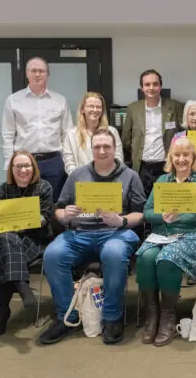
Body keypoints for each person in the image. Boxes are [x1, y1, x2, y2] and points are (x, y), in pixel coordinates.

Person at [38, 129, 146, 346]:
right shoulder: (77, 175)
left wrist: (122, 221)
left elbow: (141, 213)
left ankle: (112, 317)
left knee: (113, 253)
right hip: (80, 233)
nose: (102, 151)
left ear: (115, 148)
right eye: (97, 147)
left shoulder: (130, 176)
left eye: (107, 146)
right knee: (52, 254)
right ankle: (67, 317)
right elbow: (58, 210)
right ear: (91, 149)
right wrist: (64, 215)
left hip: (116, 233)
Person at [136, 137, 196, 347]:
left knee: (166, 259)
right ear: (171, 157)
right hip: (163, 234)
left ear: (193, 158)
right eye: (177, 155)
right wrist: (161, 216)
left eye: (186, 155)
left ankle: (167, 318)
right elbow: (147, 212)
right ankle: (152, 316)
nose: (181, 159)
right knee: (145, 258)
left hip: (194, 235)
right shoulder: (163, 181)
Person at [0, 151, 53, 337]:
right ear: (12, 169)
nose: (23, 170)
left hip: (34, 239)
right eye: (18, 166)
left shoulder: (44, 187)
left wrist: (17, 225)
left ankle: (3, 310)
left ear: (33, 168)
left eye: (27, 165)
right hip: (7, 238)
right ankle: (20, 284)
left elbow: (45, 218)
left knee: (5, 244)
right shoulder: (2, 190)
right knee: (5, 240)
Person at [1, 57, 73, 201]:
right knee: (25, 205)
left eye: (41, 71)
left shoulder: (60, 100)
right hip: (24, 163)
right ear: (27, 73)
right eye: (34, 70)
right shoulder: (13, 100)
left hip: (54, 162)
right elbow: (7, 135)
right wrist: (10, 165)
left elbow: (67, 135)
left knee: (54, 203)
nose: (38, 74)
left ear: (47, 74)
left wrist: (67, 163)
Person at [122, 69, 184, 196]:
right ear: (142, 88)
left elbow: (183, 135)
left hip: (167, 166)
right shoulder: (133, 108)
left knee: (167, 203)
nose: (151, 88)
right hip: (142, 167)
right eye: (147, 84)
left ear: (160, 86)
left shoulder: (175, 107)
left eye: (155, 84)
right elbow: (126, 140)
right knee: (142, 203)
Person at [62, 92, 124, 174]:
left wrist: (109, 176)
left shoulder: (112, 132)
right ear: (83, 109)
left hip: (108, 180)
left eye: (98, 107)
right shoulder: (71, 134)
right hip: (81, 182)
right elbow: (69, 163)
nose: (95, 110)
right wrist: (79, 178)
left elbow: (118, 158)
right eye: (91, 106)